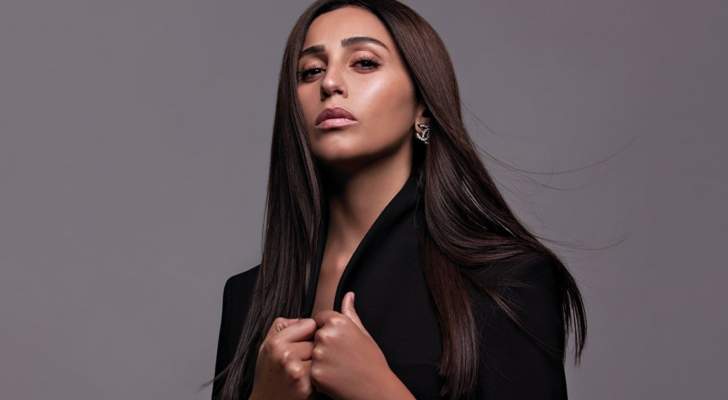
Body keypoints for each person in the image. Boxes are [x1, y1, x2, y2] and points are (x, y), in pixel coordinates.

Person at [206, 1, 587, 399]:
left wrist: (379, 390)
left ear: (422, 105)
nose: (329, 83)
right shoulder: (247, 297)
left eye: (364, 63)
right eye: (311, 71)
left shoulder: (503, 280)